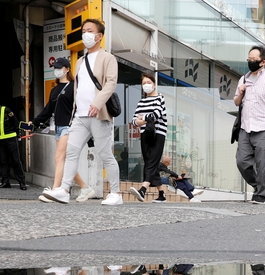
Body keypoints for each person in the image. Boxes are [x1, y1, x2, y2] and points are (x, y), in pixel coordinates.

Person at [43, 19, 122, 206]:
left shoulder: (108, 58)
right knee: (71, 153)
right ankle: (64, 190)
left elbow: (110, 83)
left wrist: (97, 103)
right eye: (84, 31)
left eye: (90, 30)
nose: (85, 34)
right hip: (79, 116)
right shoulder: (79, 61)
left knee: (105, 154)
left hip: (98, 115)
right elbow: (78, 88)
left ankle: (116, 193)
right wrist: (75, 111)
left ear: (99, 36)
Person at [31, 58, 94, 203]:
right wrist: (34, 122)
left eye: (59, 67)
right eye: (55, 67)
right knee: (64, 161)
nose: (56, 70)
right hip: (58, 127)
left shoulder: (74, 87)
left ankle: (55, 190)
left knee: (59, 158)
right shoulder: (55, 89)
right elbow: (48, 109)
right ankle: (85, 188)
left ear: (67, 69)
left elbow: (80, 107)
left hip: (70, 126)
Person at [233, 45, 265, 204]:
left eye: (254, 59)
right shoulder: (243, 79)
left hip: (264, 128)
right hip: (245, 127)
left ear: (263, 62)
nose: (251, 62)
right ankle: (258, 185)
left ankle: (261, 195)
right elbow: (236, 102)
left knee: (262, 164)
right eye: (249, 59)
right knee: (241, 161)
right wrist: (240, 92)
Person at [129, 73, 169, 203]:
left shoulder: (160, 98)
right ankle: (161, 194)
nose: (146, 85)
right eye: (144, 83)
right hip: (145, 133)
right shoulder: (141, 102)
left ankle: (143, 190)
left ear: (154, 84)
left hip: (158, 133)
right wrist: (142, 120)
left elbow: (156, 114)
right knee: (150, 161)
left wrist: (143, 118)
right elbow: (134, 120)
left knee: (152, 161)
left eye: (148, 83)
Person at [0, 92, 27, 190]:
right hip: (0, 141)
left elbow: (15, 121)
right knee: (3, 161)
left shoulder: (6, 110)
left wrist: (18, 134)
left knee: (16, 160)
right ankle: (5, 181)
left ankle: (22, 182)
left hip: (11, 139)